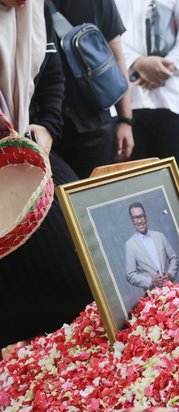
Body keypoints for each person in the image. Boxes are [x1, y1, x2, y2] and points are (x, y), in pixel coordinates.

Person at [0, 0, 93, 351]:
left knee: (81, 266)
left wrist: (48, 126)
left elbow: (53, 75)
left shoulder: (37, 8)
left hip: (28, 152)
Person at [114, 0, 179, 179]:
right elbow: (100, 33)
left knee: (172, 185)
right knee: (130, 187)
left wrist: (165, 70)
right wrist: (137, 62)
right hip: (124, 107)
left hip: (169, 102)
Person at [49, 0, 134, 179]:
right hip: (45, 128)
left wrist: (125, 120)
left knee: (96, 199)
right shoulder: (25, 5)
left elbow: (116, 57)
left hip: (94, 125)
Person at [125, 202, 179, 290]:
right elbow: (130, 275)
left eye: (141, 216)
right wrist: (150, 281)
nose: (139, 221)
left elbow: (174, 258)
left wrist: (170, 274)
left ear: (146, 217)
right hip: (152, 295)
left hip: (171, 289)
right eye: (135, 218)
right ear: (132, 220)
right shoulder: (130, 245)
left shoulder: (160, 236)